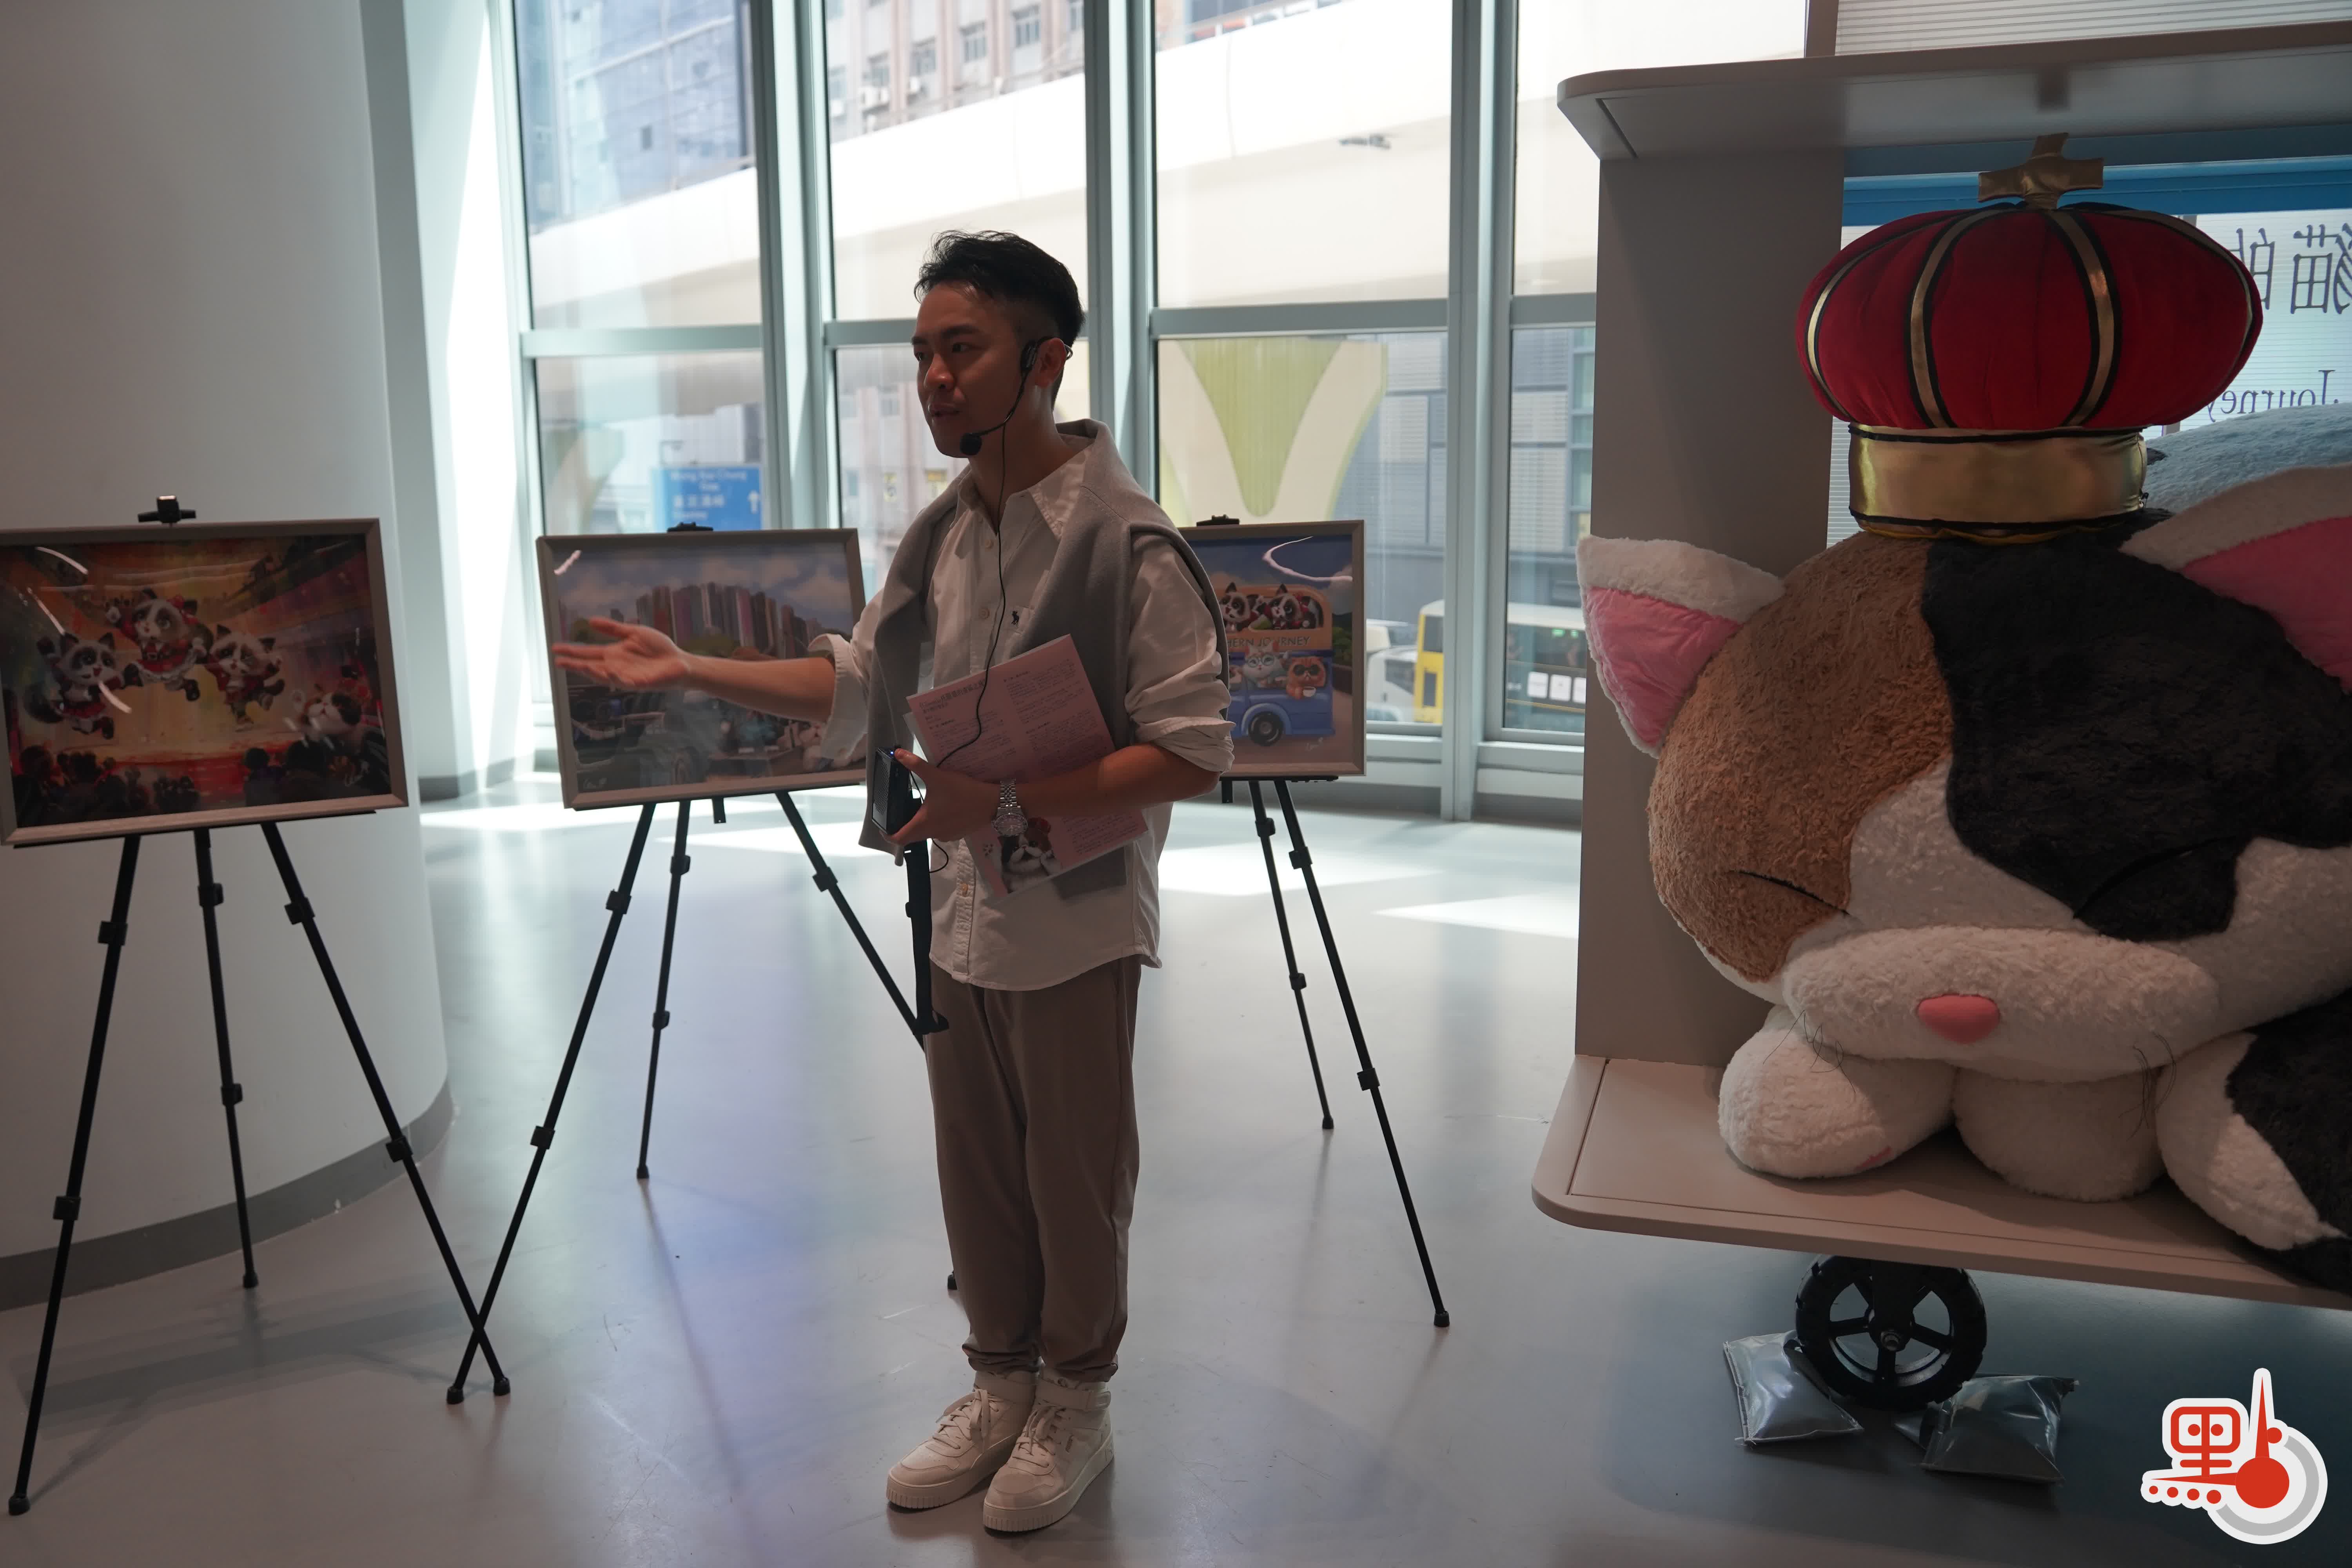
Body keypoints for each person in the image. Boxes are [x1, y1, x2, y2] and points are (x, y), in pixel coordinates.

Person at [552, 230, 1231, 1534]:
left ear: (1045, 362)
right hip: (961, 912)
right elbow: (862, 681)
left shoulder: (1130, 543)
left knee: (1075, 1173)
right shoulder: (944, 533)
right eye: (921, 353)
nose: (932, 378)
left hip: (1077, 923)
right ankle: (1002, 1382)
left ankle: (1077, 1400)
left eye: (960, 350)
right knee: (977, 1170)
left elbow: (1191, 750)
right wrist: (690, 669)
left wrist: (1011, 804)